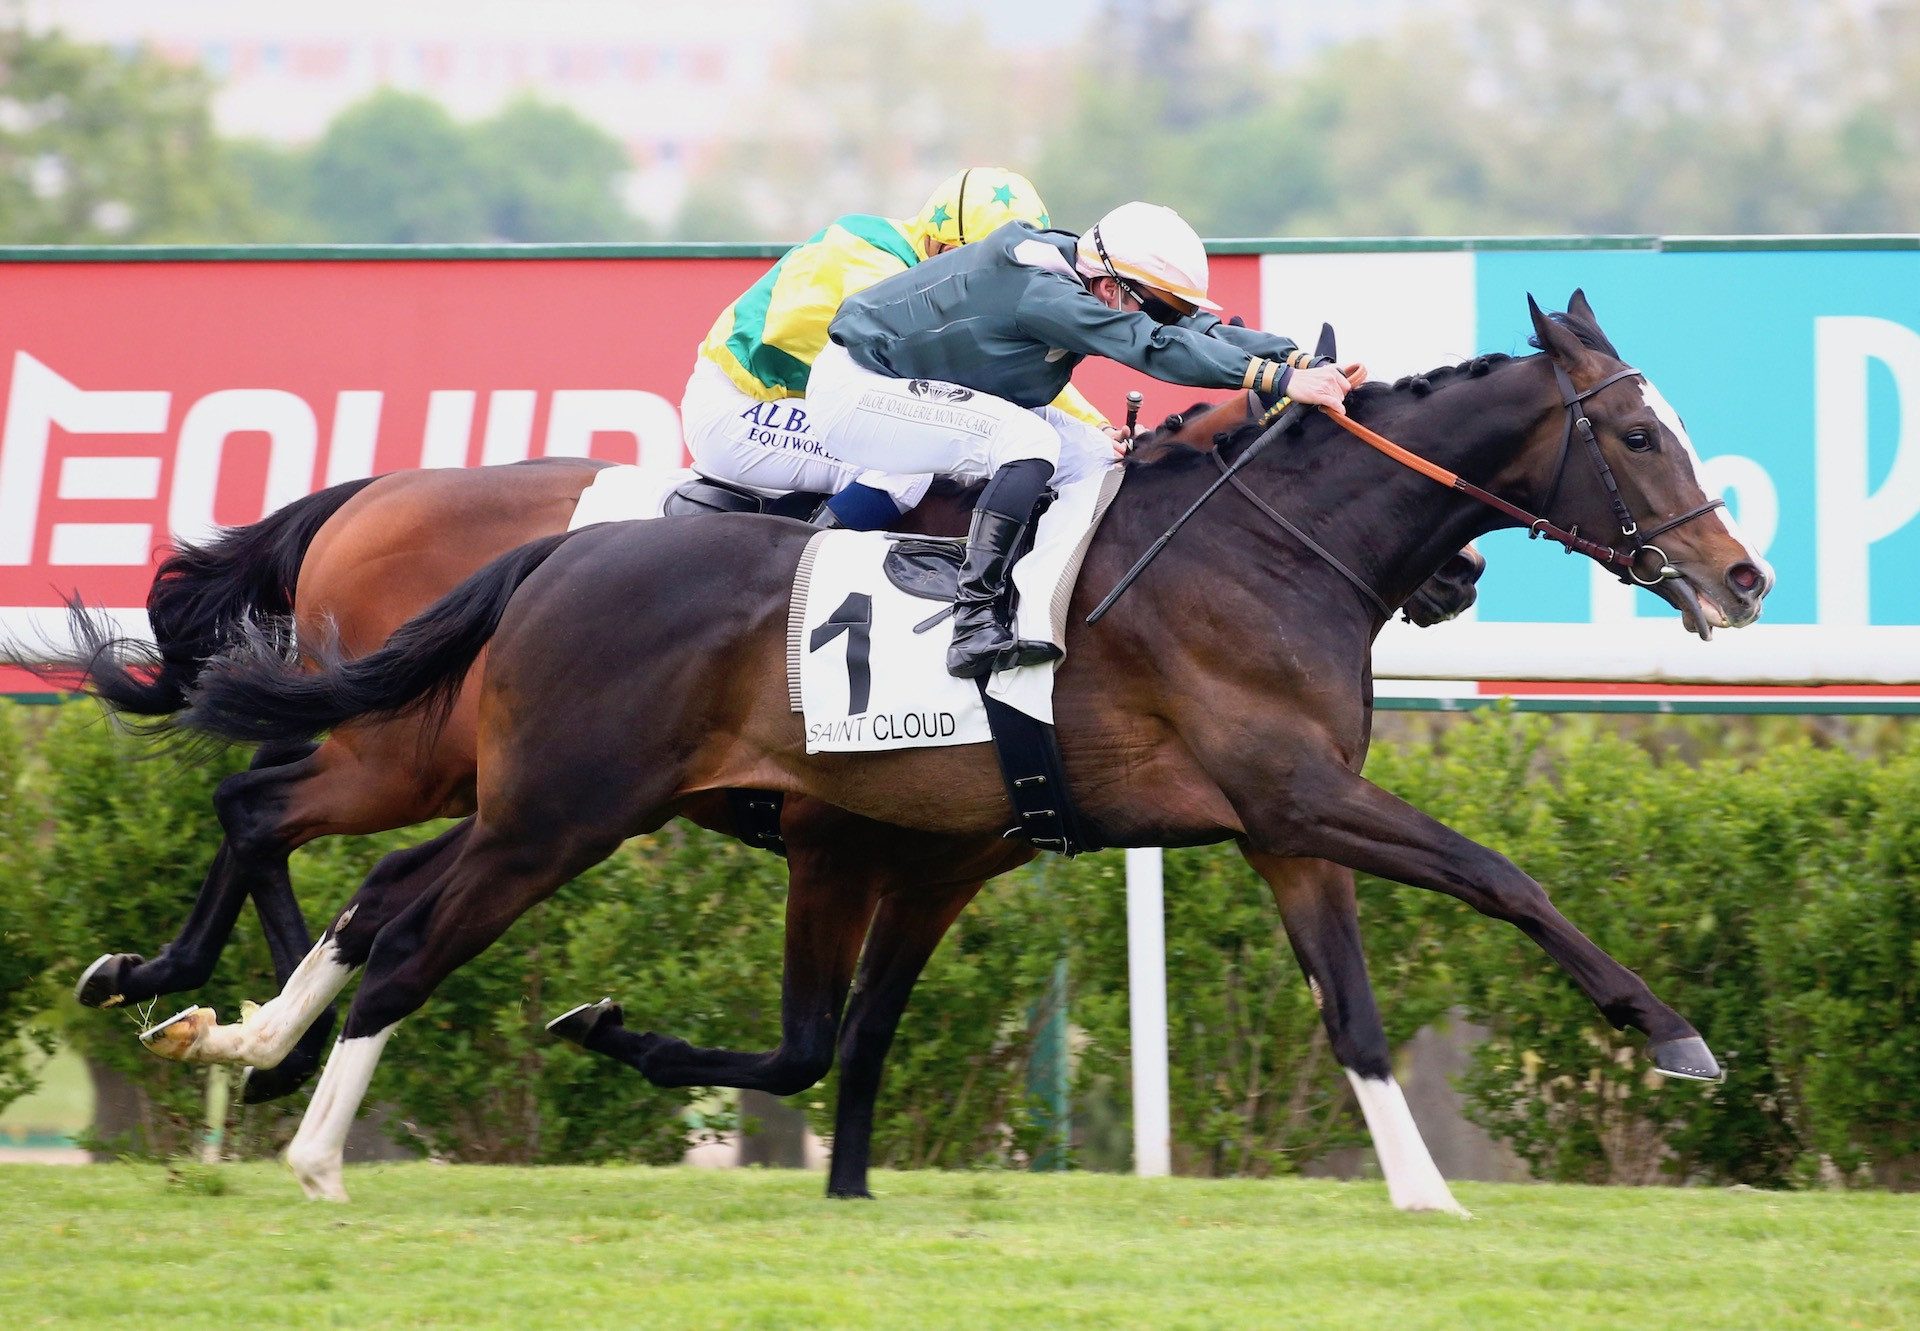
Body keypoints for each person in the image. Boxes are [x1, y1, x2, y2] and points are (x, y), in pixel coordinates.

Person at [809, 200, 1362, 678]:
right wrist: (1281, 381)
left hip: (914, 383)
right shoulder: (1043, 295)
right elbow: (1154, 345)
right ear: (1106, 286)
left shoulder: (1086, 274)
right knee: (1027, 442)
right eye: (1165, 306)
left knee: (1101, 460)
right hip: (856, 389)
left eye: (1176, 309)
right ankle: (974, 619)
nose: (1172, 319)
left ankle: (1044, 606)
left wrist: (1292, 356)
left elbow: (1190, 331)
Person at [681, 167, 1115, 530]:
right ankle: (796, 573)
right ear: (945, 247)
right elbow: (969, 376)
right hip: (738, 409)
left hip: (814, 409)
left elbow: (1005, 370)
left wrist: (1094, 426)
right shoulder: (868, 257)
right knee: (908, 468)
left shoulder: (935, 275)